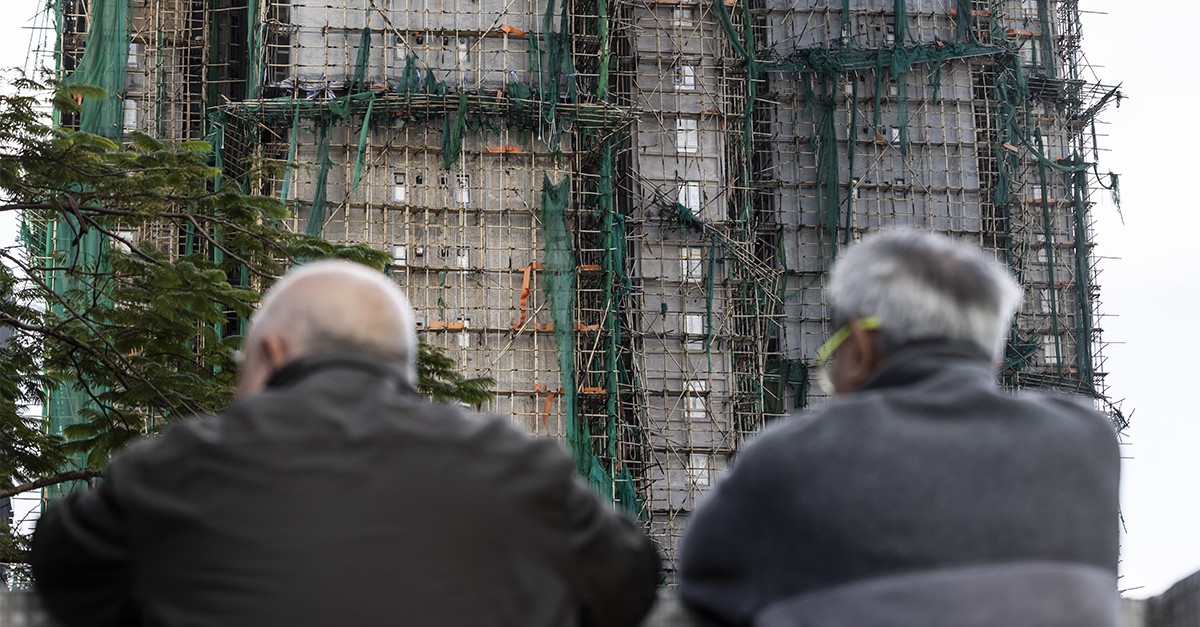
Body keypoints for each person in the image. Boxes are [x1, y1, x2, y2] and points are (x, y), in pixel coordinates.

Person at [32, 260, 660, 627]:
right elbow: (631, 581)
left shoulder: (173, 464)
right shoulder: (520, 464)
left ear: (272, 353)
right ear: (403, 371)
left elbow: (63, 569)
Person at [677, 230, 1121, 626]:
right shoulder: (1087, 439)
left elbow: (703, 584)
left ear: (861, 346)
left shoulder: (788, 456)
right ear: (992, 359)